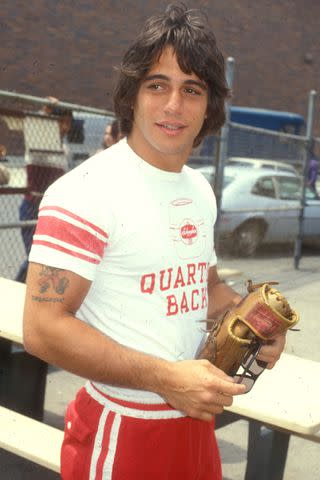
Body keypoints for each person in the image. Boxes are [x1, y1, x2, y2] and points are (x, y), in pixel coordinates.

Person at [23, 4, 286, 479]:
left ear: (210, 106)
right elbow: (42, 329)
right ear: (132, 96)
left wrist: (255, 324)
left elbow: (202, 290)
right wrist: (166, 378)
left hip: (196, 424)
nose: (173, 105)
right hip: (122, 427)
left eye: (192, 89)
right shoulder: (86, 191)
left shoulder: (199, 189)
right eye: (157, 85)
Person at [15, 100, 73, 283]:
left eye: (68, 123)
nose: (65, 127)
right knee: (34, 258)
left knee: (43, 259)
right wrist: (45, 110)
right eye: (61, 121)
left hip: (52, 211)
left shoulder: (65, 149)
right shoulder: (37, 143)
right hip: (32, 207)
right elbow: (34, 127)